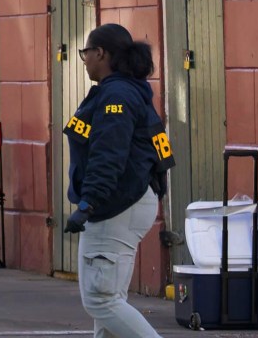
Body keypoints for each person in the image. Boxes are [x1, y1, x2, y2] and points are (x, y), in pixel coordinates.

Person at [64, 23, 172, 338]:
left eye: (85, 52)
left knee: (101, 301)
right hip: (126, 201)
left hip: (115, 206)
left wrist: (88, 202)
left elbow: (107, 156)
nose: (83, 59)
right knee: (109, 302)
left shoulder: (117, 95)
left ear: (101, 53)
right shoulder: (129, 91)